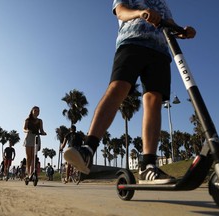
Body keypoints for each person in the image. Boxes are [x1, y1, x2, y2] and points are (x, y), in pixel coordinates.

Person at [64, 0, 196, 184]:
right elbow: (121, 12)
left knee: (154, 100)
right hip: (131, 42)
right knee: (118, 88)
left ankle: (148, 167)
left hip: (160, 51)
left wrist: (182, 31)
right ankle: (88, 149)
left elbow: (170, 24)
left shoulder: (162, 3)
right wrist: (140, 13)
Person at [23, 106, 47, 180]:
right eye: (35, 110)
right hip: (29, 137)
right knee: (29, 156)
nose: (36, 112)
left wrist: (43, 133)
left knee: (34, 156)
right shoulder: (27, 120)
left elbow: (41, 130)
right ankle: (28, 172)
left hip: (36, 137)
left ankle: (32, 172)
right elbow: (24, 128)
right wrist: (27, 131)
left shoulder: (40, 121)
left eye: (38, 111)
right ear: (32, 111)